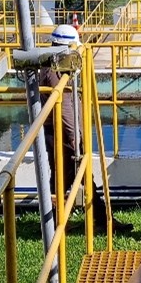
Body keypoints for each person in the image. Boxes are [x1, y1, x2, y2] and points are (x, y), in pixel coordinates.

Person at [40, 24, 130, 233]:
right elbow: (65, 110)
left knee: (69, 177)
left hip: (59, 131)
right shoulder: (55, 72)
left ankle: (90, 219)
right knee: (70, 177)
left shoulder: (52, 65)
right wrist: (76, 138)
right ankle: (92, 221)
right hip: (63, 133)